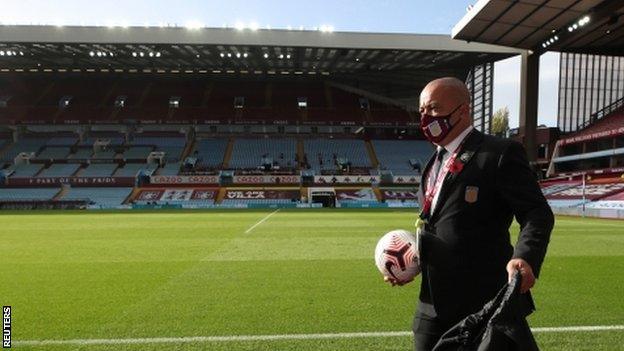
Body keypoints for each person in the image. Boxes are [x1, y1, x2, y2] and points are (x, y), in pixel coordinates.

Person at [384, 77, 554, 350]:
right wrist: (410, 264)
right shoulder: (433, 162)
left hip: (483, 305)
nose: (425, 116)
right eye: (422, 110)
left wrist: (525, 257)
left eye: (434, 108)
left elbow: (537, 213)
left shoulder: (499, 153)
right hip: (430, 307)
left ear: (463, 110)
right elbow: (439, 225)